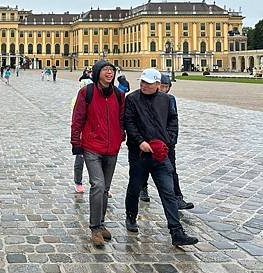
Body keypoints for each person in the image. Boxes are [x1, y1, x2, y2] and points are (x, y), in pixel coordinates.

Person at [124, 68, 198, 246]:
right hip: (139, 154)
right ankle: (131, 216)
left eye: (148, 83)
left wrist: (170, 140)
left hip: (161, 154)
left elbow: (173, 120)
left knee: (168, 192)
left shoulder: (165, 100)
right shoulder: (132, 99)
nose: (143, 85)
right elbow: (129, 122)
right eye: (142, 82)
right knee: (135, 188)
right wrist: (140, 141)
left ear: (158, 85)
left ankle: (176, 231)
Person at [71, 60, 125, 248]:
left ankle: (100, 224)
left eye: (112, 70)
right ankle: (95, 228)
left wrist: (120, 137)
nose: (110, 73)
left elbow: (121, 119)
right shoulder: (87, 92)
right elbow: (77, 118)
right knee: (98, 185)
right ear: (97, 73)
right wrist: (75, 142)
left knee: (105, 189)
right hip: (92, 146)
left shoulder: (119, 94)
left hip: (112, 148)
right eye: (106, 70)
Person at [141, 74, 194, 210]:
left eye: (166, 86)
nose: (164, 89)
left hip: (167, 142)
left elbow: (173, 119)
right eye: (162, 86)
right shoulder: (144, 97)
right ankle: (143, 189)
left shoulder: (170, 99)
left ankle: (178, 198)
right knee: (144, 168)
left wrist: (171, 140)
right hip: (149, 141)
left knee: (171, 170)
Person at [71, 77, 94, 194]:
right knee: (80, 160)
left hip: (95, 135)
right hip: (82, 135)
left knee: (97, 163)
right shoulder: (77, 99)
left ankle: (99, 185)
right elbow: (76, 119)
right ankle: (78, 182)